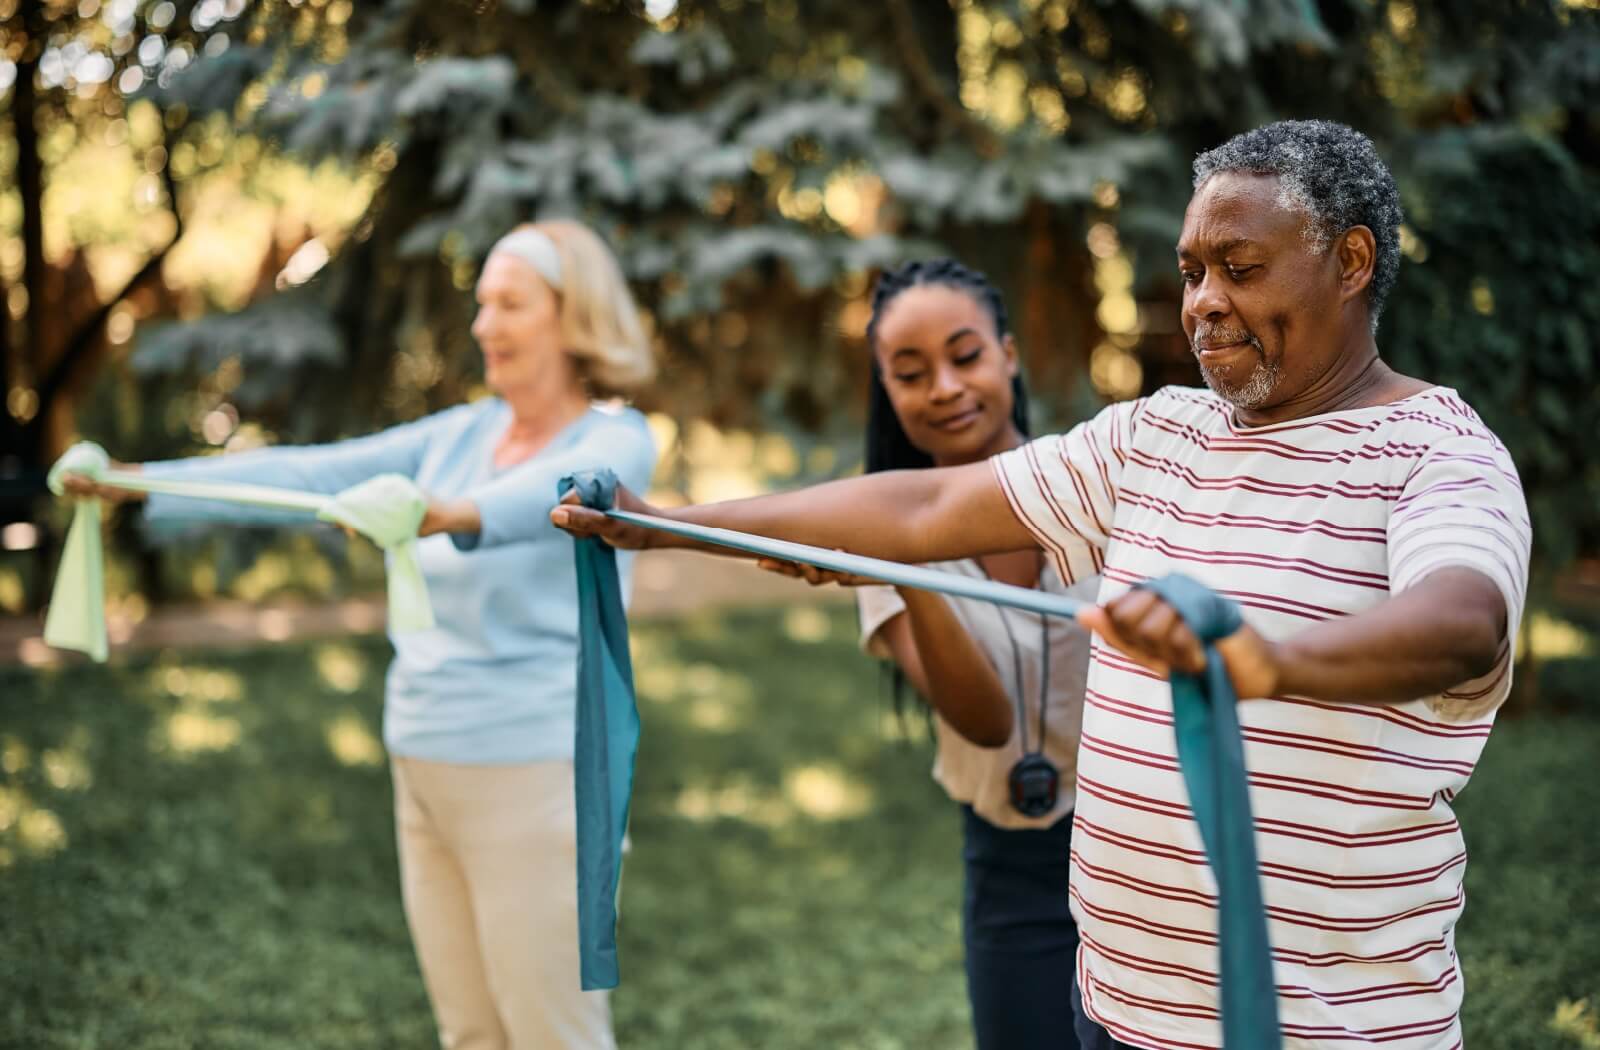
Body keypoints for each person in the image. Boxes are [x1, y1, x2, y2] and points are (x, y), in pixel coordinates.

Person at [552, 120, 1531, 1049]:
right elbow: (921, 515)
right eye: (1190, 272)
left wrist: (1265, 662)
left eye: (1240, 269)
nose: (1200, 303)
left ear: (1351, 263)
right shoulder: (1157, 435)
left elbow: (1463, 620)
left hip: (1325, 1029)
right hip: (1109, 1010)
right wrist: (665, 524)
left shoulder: (1438, 454)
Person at [63, 220, 658, 1050]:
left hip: (538, 777)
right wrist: (132, 483)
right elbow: (310, 472)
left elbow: (566, 497)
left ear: (574, 317)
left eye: (512, 303)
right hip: (423, 762)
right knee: (470, 1034)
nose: (485, 324)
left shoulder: (616, 439)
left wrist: (443, 511)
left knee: (555, 1036)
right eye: (481, 303)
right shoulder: (458, 435)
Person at [761, 258, 1096, 1049]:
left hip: (1145, 848)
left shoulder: (1097, 483)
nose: (944, 387)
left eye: (965, 355)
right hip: (1011, 873)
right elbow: (983, 722)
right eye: (910, 374)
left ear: (1009, 356)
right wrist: (906, 568)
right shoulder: (878, 547)